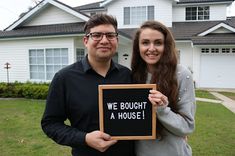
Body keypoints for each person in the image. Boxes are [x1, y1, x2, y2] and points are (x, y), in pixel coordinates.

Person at [41, 14, 135, 156]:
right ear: (86, 40)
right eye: (96, 35)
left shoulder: (128, 75)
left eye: (110, 35)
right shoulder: (64, 78)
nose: (104, 40)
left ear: (117, 40)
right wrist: (84, 138)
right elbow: (50, 123)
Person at [131, 20, 196, 156]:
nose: (152, 48)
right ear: (138, 47)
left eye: (158, 43)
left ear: (166, 46)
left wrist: (162, 109)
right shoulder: (132, 76)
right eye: (145, 42)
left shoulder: (182, 75)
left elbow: (186, 127)